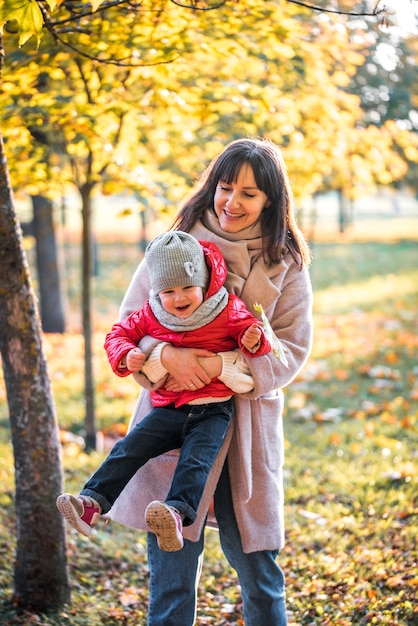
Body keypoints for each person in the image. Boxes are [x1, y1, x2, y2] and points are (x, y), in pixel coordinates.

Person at [102, 137, 312, 626]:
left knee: (258, 569)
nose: (232, 203)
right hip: (172, 424)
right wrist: (164, 355)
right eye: (225, 186)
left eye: (250, 193)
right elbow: (131, 320)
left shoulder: (286, 263)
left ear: (271, 200)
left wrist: (223, 369)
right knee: (171, 572)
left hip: (245, 434)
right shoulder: (175, 246)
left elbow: (292, 349)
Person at [57, 231, 271, 552]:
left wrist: (253, 339)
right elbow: (118, 333)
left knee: (196, 462)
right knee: (129, 448)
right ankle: (91, 504)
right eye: (168, 290)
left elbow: (250, 331)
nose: (179, 297)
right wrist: (127, 355)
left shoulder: (225, 308)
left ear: (204, 283)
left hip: (213, 408)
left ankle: (174, 513)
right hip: (169, 406)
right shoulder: (152, 312)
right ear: (157, 291)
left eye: (188, 287)